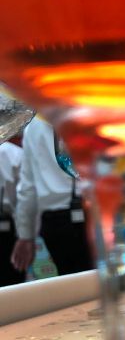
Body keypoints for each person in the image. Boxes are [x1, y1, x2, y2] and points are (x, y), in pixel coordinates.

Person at [12, 118, 94, 276]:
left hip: (55, 222)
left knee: (71, 281)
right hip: (86, 214)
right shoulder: (83, 115)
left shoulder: (33, 127)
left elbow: (28, 187)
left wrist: (26, 236)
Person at [0, 135, 23, 286]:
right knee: (12, 283)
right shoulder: (15, 153)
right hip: (8, 228)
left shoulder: (14, 153)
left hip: (8, 227)